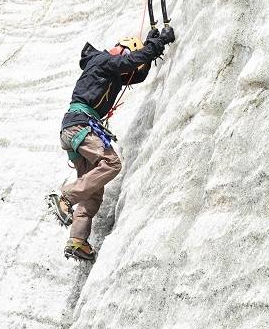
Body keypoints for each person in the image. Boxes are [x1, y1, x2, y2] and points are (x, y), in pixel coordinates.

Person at [49, 25, 176, 261]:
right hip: (80, 126)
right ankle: (65, 198)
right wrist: (156, 45)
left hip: (73, 129)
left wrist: (150, 48)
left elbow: (135, 74)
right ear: (123, 50)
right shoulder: (102, 60)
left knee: (94, 191)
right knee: (111, 163)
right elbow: (127, 64)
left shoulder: (108, 69)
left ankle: (77, 240)